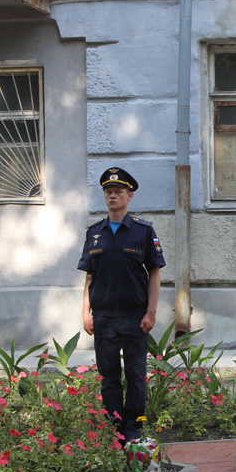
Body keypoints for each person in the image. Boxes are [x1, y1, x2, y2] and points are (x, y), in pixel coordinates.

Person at [78, 167, 165, 442]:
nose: (112, 195)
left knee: (136, 374)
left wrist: (151, 312)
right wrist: (85, 312)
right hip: (103, 316)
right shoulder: (95, 233)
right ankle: (114, 428)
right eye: (108, 191)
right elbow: (89, 276)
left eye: (118, 191)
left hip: (134, 316)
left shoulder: (143, 231)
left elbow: (154, 272)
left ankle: (134, 429)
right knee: (109, 376)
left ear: (130, 196)